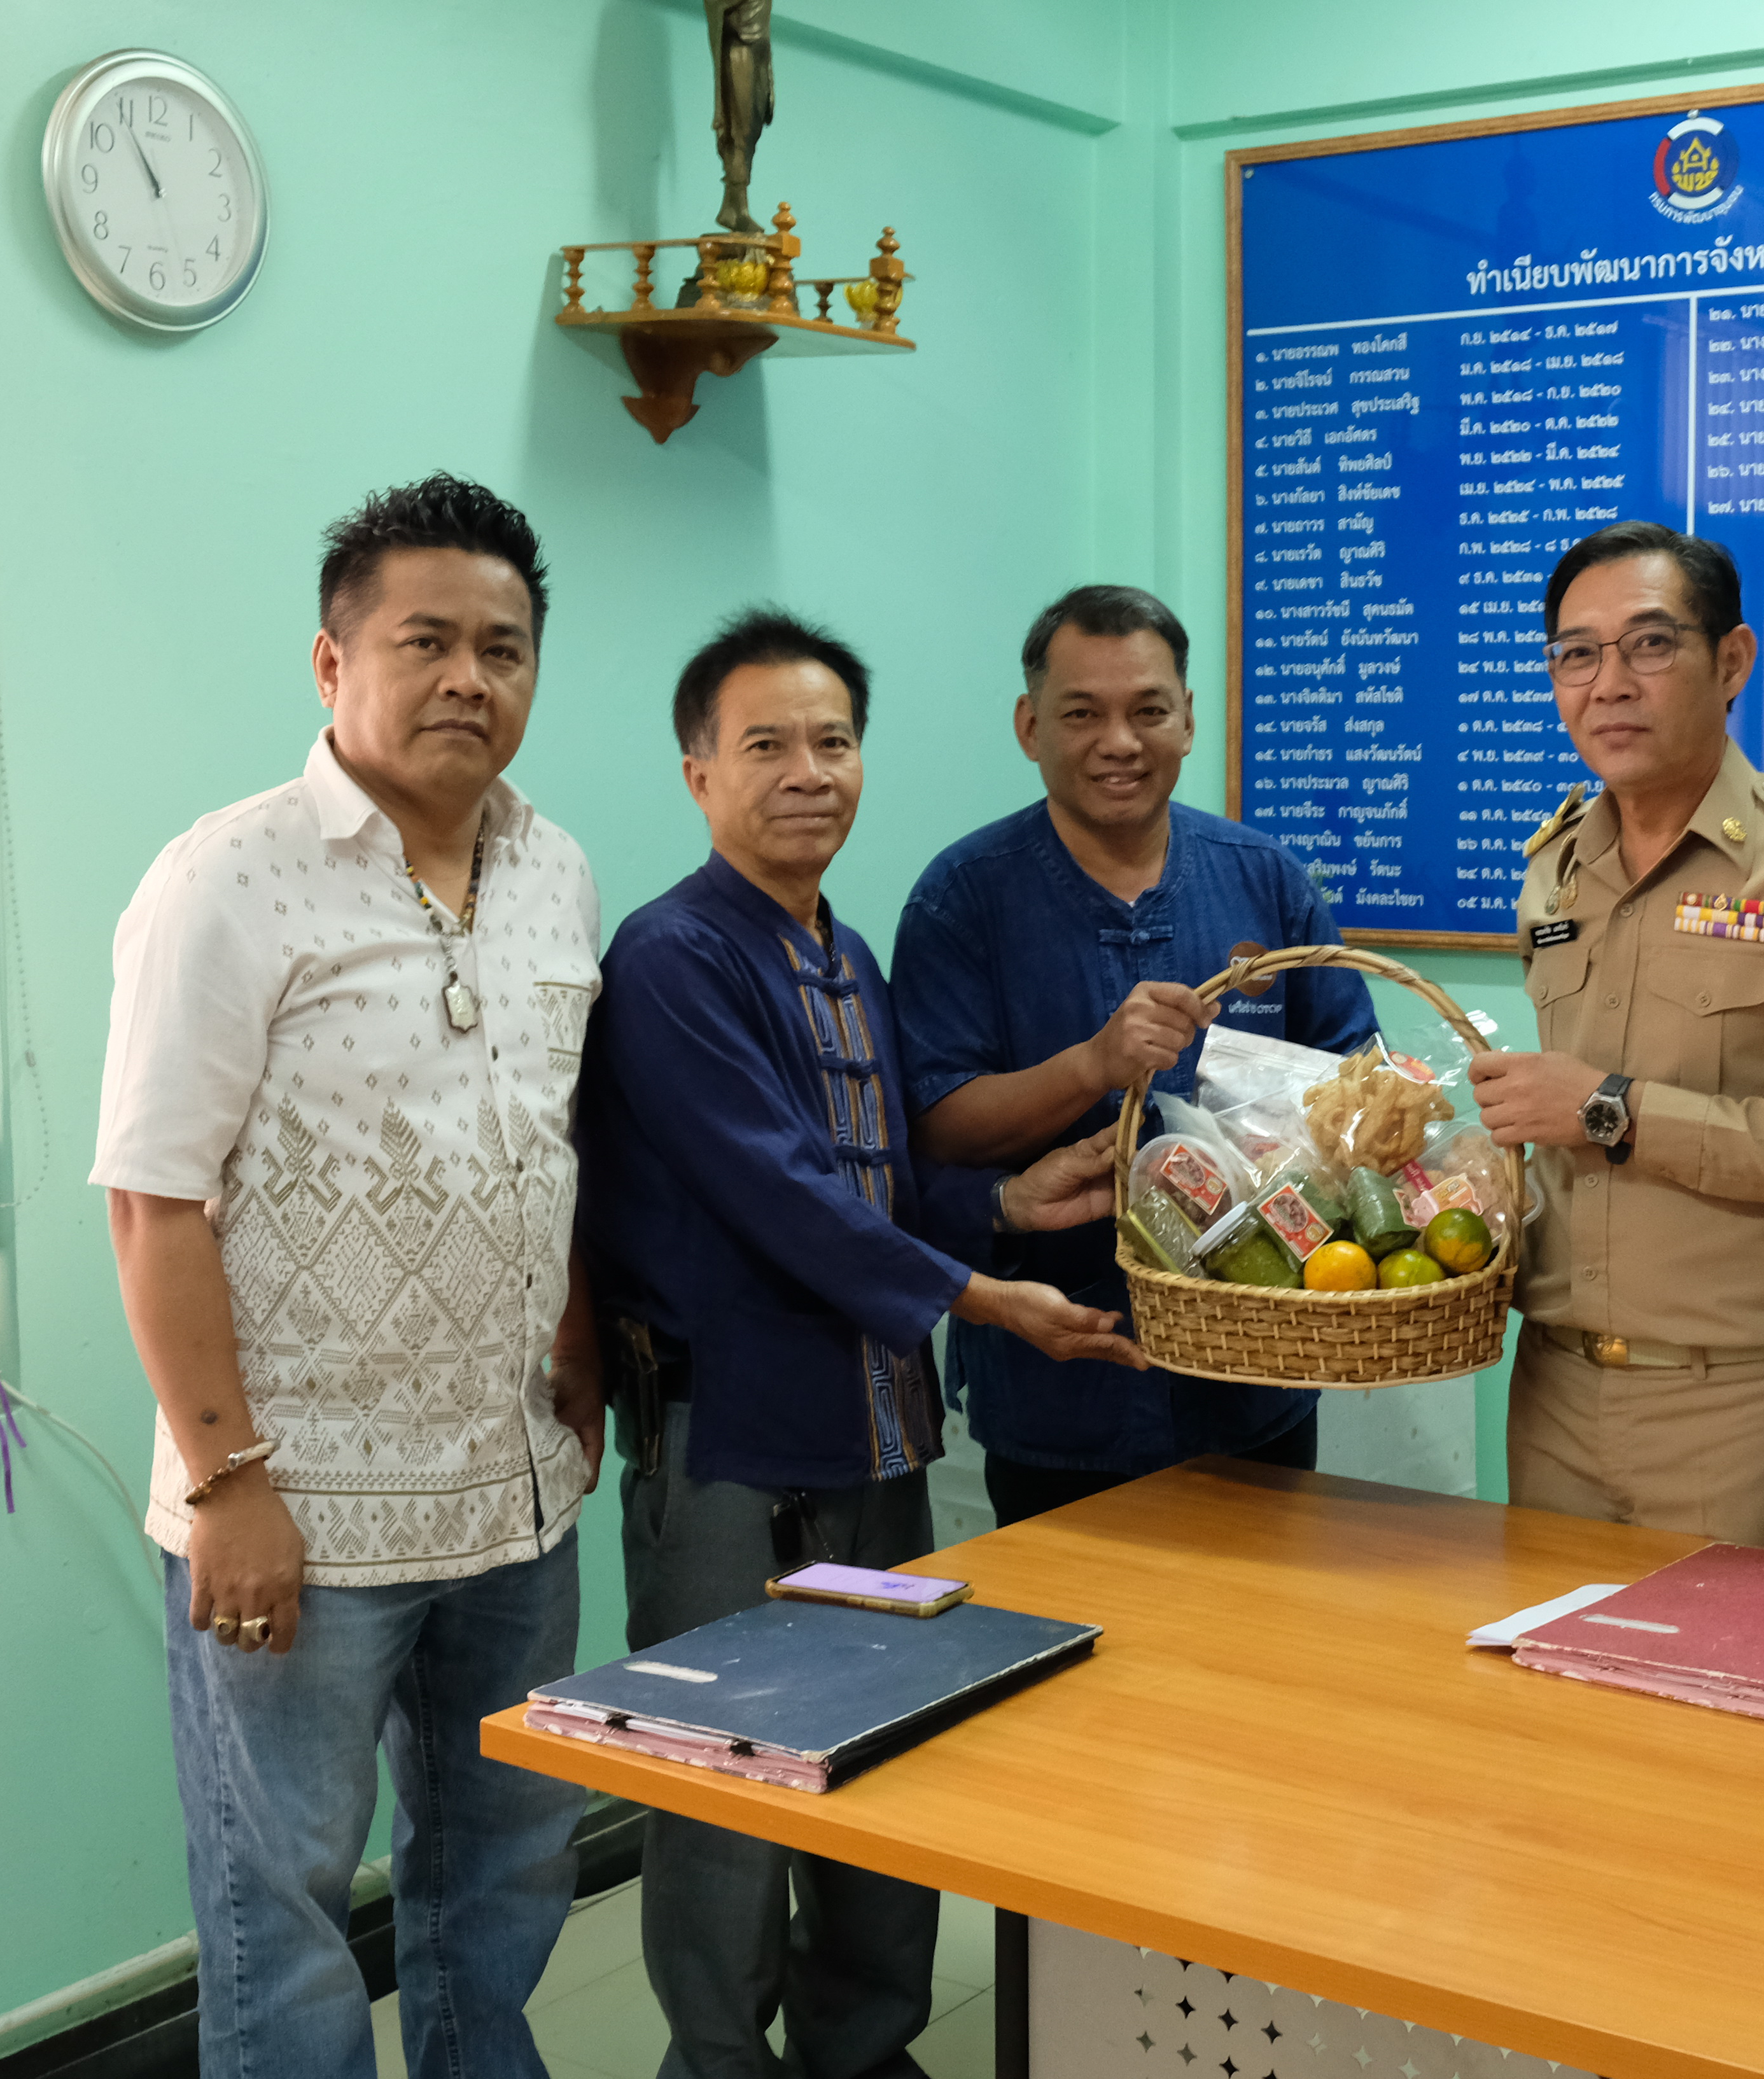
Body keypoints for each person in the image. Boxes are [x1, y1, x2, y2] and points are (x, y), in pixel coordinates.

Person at [576, 607, 1138, 2079]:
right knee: (726, 1779)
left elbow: (875, 1179)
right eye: (766, 743)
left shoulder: (845, 949)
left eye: (832, 741)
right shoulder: (673, 956)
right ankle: (718, 2060)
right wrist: (984, 1295)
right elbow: (779, 1192)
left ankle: (864, 2050)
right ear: (698, 772)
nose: (807, 771)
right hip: (731, 1443)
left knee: (885, 1751)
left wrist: (1006, 1201)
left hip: (877, 1432)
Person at [94, 474, 602, 2079]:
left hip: (513, 1497)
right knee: (288, 1910)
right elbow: (152, 1202)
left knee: (505, 1874)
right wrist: (228, 1483)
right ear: (332, 663)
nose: (468, 677)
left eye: (502, 648)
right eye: (424, 641)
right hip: (299, 1511)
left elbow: (544, 1138)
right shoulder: (226, 877)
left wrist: (576, 1342)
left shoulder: (555, 868)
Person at [1469, 522, 1764, 1555]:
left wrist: (1613, 1109)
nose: (1609, 684)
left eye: (1649, 644)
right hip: (1550, 1392)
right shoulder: (1555, 870)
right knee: (1535, 1664)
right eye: (1576, 655)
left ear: (1732, 662)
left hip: (1736, 1412)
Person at [892, 584, 1379, 1526]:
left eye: (1148, 711)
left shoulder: (1265, 881)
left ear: (1188, 719)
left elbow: (1359, 1084)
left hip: (1258, 1377)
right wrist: (1091, 1065)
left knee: (1265, 1610)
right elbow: (939, 1126)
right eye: (1082, 714)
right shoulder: (963, 900)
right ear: (1030, 726)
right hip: (1060, 1381)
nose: (1120, 742)